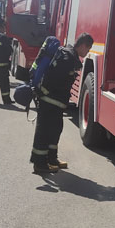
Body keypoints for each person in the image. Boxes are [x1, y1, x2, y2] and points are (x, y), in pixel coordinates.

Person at [30, 32, 94, 174]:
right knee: (44, 132)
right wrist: (45, 93)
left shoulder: (70, 56)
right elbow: (54, 79)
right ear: (83, 45)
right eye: (88, 49)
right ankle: (39, 163)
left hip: (56, 101)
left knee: (55, 129)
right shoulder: (67, 58)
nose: (87, 52)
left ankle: (52, 159)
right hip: (49, 100)